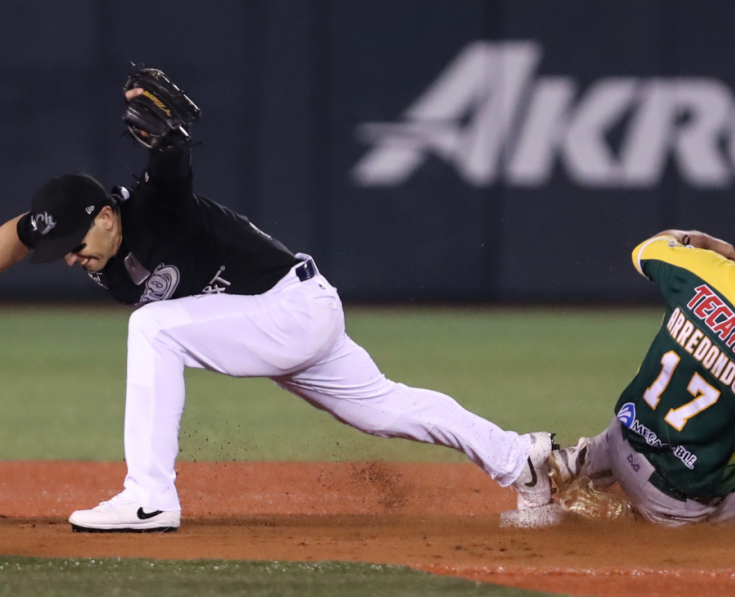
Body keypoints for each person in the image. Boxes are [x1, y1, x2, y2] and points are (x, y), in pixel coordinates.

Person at [0, 70, 557, 532]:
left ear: (103, 216)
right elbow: (21, 235)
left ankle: (149, 498)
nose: (69, 258)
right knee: (384, 407)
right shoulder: (85, 227)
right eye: (59, 251)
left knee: (153, 328)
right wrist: (36, 237)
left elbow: (170, 162)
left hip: (289, 309)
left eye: (73, 245)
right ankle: (521, 459)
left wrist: (169, 137)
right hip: (288, 314)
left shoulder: (154, 206)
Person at [548, 200, 735, 526]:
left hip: (622, 437)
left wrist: (704, 241)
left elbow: (647, 249)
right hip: (674, 497)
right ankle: (629, 518)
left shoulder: (702, 267)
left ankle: (590, 457)